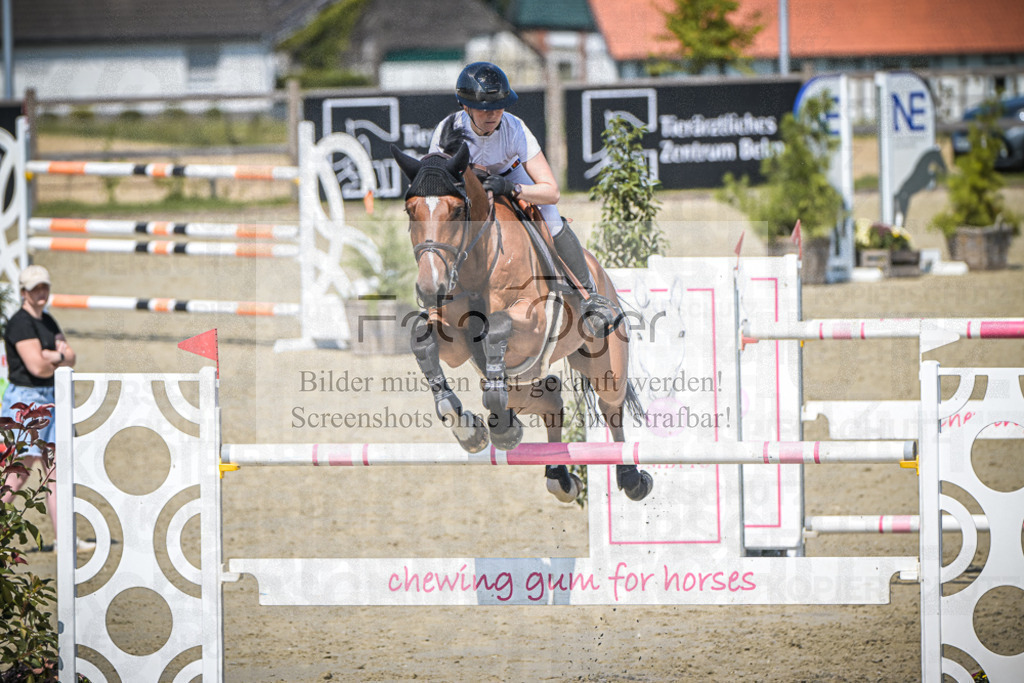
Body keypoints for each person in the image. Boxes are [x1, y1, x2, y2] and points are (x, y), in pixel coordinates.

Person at [429, 61, 619, 332]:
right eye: (484, 108)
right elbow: (437, 185)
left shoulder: (515, 128)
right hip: (466, 185)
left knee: (551, 218)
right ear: (466, 107)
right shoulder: (446, 130)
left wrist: (512, 188)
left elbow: (551, 191)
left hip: (512, 177)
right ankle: (433, 285)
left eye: (498, 106)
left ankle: (590, 297)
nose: (493, 114)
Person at [1, 264, 90, 551]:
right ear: (24, 291)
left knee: (55, 470)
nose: (41, 292)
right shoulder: (19, 323)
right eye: (35, 287)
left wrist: (50, 354)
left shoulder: (48, 321)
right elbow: (37, 367)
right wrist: (56, 354)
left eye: (44, 287)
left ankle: (65, 538)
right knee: (18, 471)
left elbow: (71, 356)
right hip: (25, 402)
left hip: (52, 398)